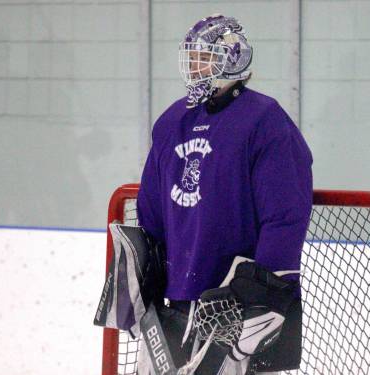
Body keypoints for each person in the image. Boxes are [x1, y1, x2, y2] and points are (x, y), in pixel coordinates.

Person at [136, 14, 313, 375]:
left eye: (205, 57)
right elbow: (152, 208)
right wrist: (145, 269)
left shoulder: (264, 120)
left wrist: (266, 291)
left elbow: (284, 212)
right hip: (180, 297)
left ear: (233, 59)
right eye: (192, 58)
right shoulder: (172, 122)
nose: (195, 67)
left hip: (238, 303)